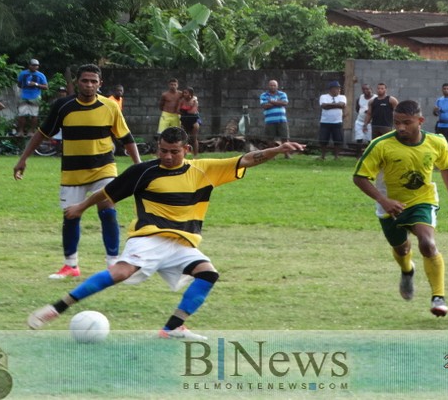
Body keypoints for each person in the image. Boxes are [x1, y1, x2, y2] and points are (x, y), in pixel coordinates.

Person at [26, 126, 305, 339]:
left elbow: (248, 159)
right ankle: (56, 308)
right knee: (121, 273)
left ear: (187, 149)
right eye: (163, 151)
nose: (168, 156)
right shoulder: (142, 172)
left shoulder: (205, 170)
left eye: (175, 151)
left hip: (182, 242)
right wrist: (81, 206)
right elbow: (107, 192)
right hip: (150, 237)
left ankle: (172, 328)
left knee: (208, 274)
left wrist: (276, 150)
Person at [13, 64, 141, 279]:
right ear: (78, 83)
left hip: (104, 167)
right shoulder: (63, 106)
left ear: (100, 84)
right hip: (72, 172)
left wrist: (138, 165)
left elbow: (126, 137)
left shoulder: (110, 106)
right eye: (85, 80)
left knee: (107, 209)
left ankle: (113, 263)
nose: (89, 85)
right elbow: (42, 133)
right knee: (71, 215)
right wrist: (23, 159)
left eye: (93, 81)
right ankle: (71, 266)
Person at [353, 100, 448, 317]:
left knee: (427, 243)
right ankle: (407, 270)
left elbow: (447, 168)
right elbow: (359, 177)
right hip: (389, 206)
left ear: (420, 121)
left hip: (422, 201)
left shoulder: (436, 142)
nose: (401, 127)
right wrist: (383, 200)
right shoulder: (380, 145)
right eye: (397, 123)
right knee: (402, 249)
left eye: (407, 122)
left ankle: (438, 297)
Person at [16, 58, 48, 137]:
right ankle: (20, 131)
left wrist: (36, 84)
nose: (35, 67)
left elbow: (46, 87)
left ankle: (31, 131)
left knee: (34, 115)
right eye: (33, 65)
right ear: (29, 65)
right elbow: (19, 84)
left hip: (35, 96)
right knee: (21, 114)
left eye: (36, 66)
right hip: (24, 96)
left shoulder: (41, 75)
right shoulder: (23, 74)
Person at [260, 80, 290, 158]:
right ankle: (272, 155)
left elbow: (285, 103)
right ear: (268, 86)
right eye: (271, 85)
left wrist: (272, 102)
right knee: (270, 139)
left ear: (277, 86)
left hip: (282, 120)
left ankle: (286, 154)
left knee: (285, 138)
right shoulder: (264, 95)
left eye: (274, 85)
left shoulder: (282, 94)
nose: (273, 87)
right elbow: (265, 106)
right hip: (270, 120)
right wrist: (278, 103)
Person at [319, 80, 346, 160]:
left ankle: (336, 156)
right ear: (331, 89)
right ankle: (323, 156)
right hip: (325, 121)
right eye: (337, 88)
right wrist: (337, 105)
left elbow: (342, 105)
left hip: (337, 122)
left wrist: (329, 105)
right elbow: (324, 106)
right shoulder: (323, 97)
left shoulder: (342, 97)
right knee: (323, 139)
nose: (339, 90)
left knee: (337, 139)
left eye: (339, 88)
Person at [177, 86, 200, 158]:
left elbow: (192, 112)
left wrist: (184, 110)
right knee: (184, 138)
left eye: (186, 93)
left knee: (193, 138)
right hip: (184, 121)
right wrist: (185, 110)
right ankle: (184, 155)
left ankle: (195, 156)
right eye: (183, 92)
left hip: (193, 121)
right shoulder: (182, 100)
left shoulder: (195, 101)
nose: (184, 94)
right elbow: (178, 110)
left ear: (190, 94)